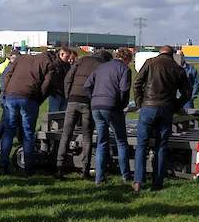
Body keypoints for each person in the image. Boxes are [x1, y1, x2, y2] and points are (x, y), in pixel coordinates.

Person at [132, 45, 191, 193]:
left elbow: (137, 83)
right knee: (161, 146)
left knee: (141, 145)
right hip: (166, 109)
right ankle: (157, 182)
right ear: (172, 55)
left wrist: (140, 103)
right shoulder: (178, 69)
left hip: (148, 107)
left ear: (160, 53)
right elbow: (187, 93)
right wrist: (176, 105)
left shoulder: (150, 63)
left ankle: (138, 181)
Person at [55, 49, 112, 178]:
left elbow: (68, 79)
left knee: (66, 134)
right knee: (87, 136)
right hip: (88, 102)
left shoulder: (81, 60)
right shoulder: (102, 66)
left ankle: (59, 167)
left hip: (72, 100)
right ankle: (85, 170)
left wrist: (68, 96)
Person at [0, 49, 57, 175]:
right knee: (28, 133)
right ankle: (28, 168)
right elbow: (46, 85)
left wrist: (6, 93)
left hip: (11, 95)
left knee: (9, 132)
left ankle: (3, 165)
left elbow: (8, 74)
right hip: (29, 98)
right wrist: (38, 99)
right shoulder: (49, 64)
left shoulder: (22, 58)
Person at [84, 48, 133, 185]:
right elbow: (124, 90)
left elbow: (87, 86)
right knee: (121, 141)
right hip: (112, 107)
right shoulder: (124, 69)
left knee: (102, 142)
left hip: (96, 107)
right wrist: (121, 105)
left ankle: (99, 178)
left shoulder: (101, 67)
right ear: (127, 59)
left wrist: (93, 98)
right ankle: (126, 176)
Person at [0, 50, 19, 153]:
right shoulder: (9, 70)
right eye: (14, 58)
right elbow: (4, 87)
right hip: (7, 100)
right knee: (4, 123)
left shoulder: (12, 68)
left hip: (9, 99)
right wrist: (3, 100)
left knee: (11, 121)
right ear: (11, 58)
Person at [47, 47, 74, 113]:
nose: (68, 59)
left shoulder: (67, 65)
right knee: (54, 113)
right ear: (61, 54)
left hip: (64, 92)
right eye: (67, 56)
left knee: (63, 113)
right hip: (55, 93)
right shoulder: (54, 64)